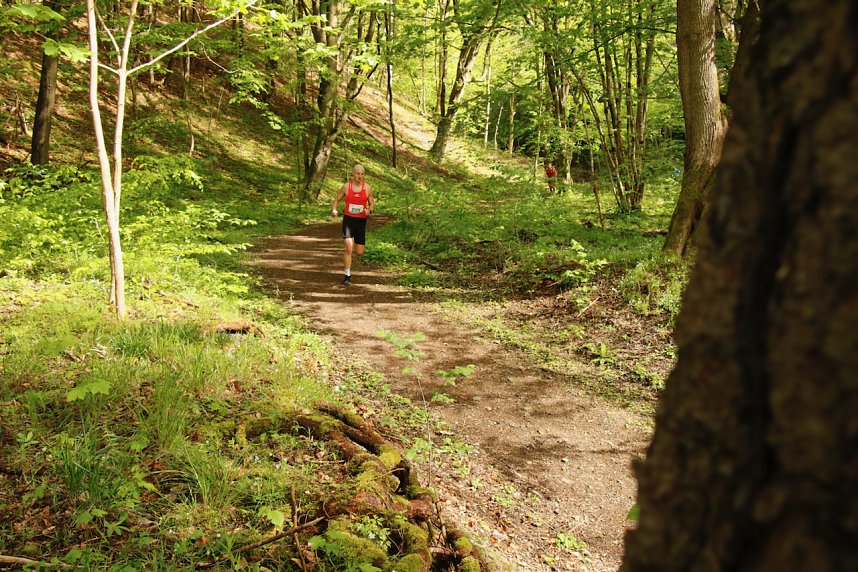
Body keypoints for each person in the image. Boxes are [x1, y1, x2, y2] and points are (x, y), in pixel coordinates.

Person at [331, 164, 375, 286]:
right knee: (349, 248)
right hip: (349, 220)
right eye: (357, 174)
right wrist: (334, 209)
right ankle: (347, 275)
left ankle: (354, 242)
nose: (360, 176)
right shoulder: (346, 187)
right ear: (353, 174)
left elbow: (372, 203)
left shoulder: (367, 188)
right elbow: (337, 199)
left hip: (361, 221)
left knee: (359, 252)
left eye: (362, 174)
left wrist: (369, 210)